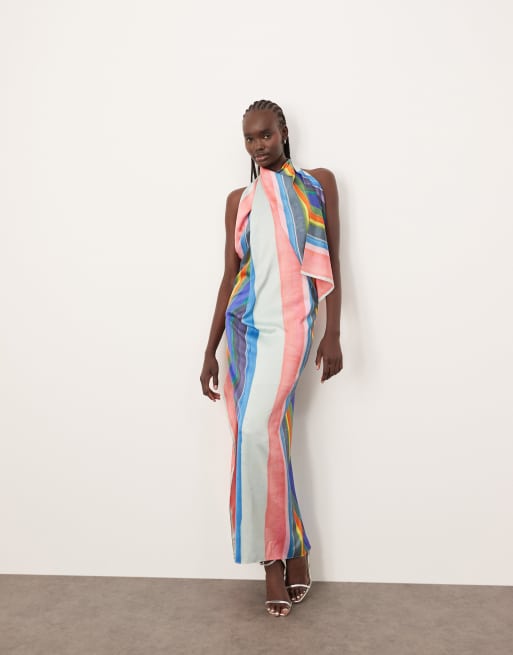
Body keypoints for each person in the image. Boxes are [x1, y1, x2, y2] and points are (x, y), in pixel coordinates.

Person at [200, 99, 343, 617]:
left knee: (256, 431)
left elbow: (334, 260)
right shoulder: (239, 200)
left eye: (264, 135)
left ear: (283, 131)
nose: (257, 146)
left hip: (294, 328)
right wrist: (209, 349)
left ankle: (281, 552)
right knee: (261, 436)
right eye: (249, 138)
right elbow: (229, 276)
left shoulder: (317, 184)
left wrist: (332, 333)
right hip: (245, 331)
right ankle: (282, 556)